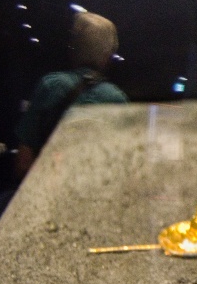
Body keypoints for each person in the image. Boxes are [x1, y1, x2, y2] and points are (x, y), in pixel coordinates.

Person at [14, 12, 127, 178]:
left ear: (74, 48)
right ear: (107, 56)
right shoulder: (117, 99)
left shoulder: (50, 85)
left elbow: (23, 163)